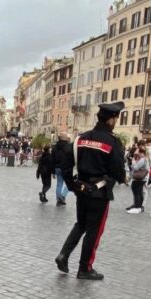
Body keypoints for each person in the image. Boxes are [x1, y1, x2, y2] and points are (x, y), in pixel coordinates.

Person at [54, 102, 126, 280]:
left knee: (80, 225)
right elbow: (118, 171)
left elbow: (65, 166)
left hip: (82, 190)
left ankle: (63, 255)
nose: (116, 121)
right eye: (116, 118)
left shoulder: (80, 139)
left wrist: (72, 186)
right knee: (94, 230)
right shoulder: (112, 142)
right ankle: (84, 268)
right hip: (99, 194)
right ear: (110, 120)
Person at [127, 148, 148, 214]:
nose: (137, 154)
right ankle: (139, 207)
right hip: (143, 178)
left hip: (138, 178)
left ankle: (137, 207)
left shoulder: (142, 159)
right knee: (139, 193)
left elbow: (135, 168)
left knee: (137, 193)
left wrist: (133, 162)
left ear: (142, 153)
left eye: (138, 152)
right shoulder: (145, 159)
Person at [52, 133, 71, 206]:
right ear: (65, 138)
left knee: (59, 184)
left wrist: (53, 171)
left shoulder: (55, 147)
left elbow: (52, 159)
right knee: (69, 183)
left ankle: (58, 199)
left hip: (57, 167)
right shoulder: (69, 146)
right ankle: (62, 196)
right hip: (66, 168)